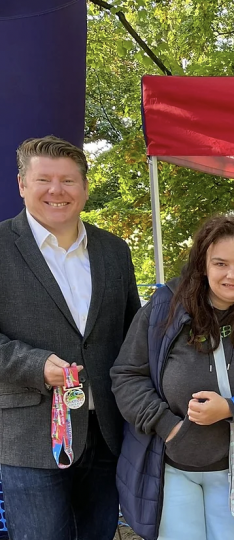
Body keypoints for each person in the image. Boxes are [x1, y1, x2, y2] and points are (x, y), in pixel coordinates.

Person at [111, 215, 234, 540]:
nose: (233, 274)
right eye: (221, 263)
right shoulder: (163, 310)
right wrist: (167, 425)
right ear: (202, 265)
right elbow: (127, 376)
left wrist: (232, 408)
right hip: (172, 467)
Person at [0, 136, 141, 540]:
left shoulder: (114, 250)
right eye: (44, 179)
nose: (56, 191)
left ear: (84, 187)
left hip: (107, 433)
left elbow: (133, 334)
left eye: (68, 180)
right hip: (30, 436)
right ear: (22, 184)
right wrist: (35, 365)